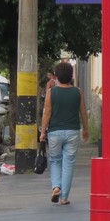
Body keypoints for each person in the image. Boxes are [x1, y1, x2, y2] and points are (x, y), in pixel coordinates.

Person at [39, 61, 89, 205]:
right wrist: (85, 129)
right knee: (68, 164)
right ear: (71, 76)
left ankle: (56, 187)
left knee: (55, 161)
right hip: (73, 132)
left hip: (55, 132)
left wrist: (43, 132)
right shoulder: (78, 92)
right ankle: (64, 197)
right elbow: (83, 113)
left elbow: (46, 114)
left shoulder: (51, 92)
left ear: (57, 76)